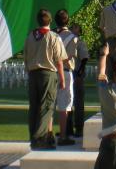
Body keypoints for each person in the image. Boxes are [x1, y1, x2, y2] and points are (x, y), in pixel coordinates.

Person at [25, 8, 66, 150]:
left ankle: (34, 135)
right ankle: (39, 137)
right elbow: (59, 60)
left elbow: (26, 56)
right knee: (47, 105)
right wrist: (62, 78)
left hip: (33, 73)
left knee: (34, 106)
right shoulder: (53, 37)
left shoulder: (30, 36)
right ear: (50, 21)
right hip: (48, 73)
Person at [54, 9, 78, 146]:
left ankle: (48, 134)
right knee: (64, 105)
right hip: (66, 71)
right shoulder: (72, 37)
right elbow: (68, 56)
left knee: (51, 105)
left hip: (52, 70)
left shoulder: (51, 35)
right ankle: (63, 136)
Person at [70, 23, 89, 138]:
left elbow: (84, 58)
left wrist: (80, 72)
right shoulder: (69, 41)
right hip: (70, 73)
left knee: (78, 102)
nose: (73, 29)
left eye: (75, 28)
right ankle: (68, 128)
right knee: (67, 102)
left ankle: (78, 128)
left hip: (76, 73)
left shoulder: (80, 42)